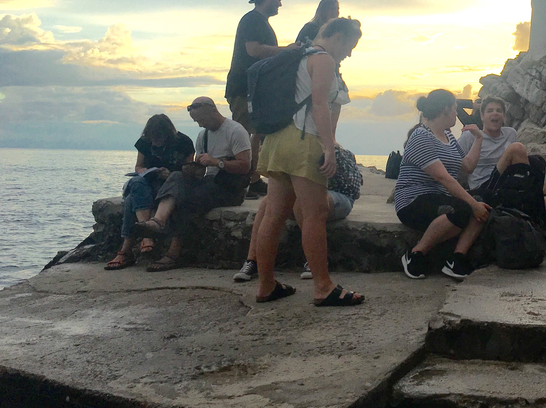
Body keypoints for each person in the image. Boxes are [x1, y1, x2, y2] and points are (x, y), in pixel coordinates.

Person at [254, 17, 364, 306]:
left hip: (276, 140)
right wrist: (329, 147)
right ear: (338, 36)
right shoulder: (323, 59)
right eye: (351, 46)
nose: (349, 54)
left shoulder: (297, 55)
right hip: (303, 141)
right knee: (314, 214)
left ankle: (266, 285)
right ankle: (323, 286)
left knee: (274, 214)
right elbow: (319, 105)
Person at [135, 98, 252, 271]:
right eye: (197, 122)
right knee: (176, 176)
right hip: (209, 181)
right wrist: (193, 170)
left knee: (187, 202)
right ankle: (158, 220)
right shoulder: (203, 135)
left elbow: (245, 166)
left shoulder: (235, 131)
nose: (199, 125)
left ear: (212, 111)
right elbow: (201, 174)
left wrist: (217, 162)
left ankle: (174, 254)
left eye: (201, 120)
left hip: (230, 186)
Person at [397, 89, 489, 281]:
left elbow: (467, 166)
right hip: (413, 201)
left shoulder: (448, 136)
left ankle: (457, 259)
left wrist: (479, 139)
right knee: (465, 208)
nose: (457, 113)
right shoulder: (421, 136)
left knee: (483, 201)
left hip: (439, 198)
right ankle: (416, 254)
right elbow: (444, 178)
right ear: (446, 109)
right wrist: (473, 205)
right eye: (455, 108)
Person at [233, 144, 359, 283]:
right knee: (267, 202)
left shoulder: (336, 151)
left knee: (305, 201)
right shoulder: (293, 148)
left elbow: (351, 187)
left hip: (338, 195)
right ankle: (252, 261)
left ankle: (312, 259)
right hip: (306, 195)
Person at [224, 0, 293, 200]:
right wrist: (287, 51)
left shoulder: (261, 23)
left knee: (259, 133)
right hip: (243, 87)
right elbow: (253, 50)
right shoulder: (252, 20)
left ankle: (254, 181)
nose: (281, 4)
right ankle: (239, 184)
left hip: (256, 89)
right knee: (244, 134)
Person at [105, 115, 195, 269]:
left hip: (170, 186)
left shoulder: (183, 143)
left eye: (157, 138)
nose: (154, 141)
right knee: (136, 182)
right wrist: (144, 171)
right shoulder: (144, 142)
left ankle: (126, 251)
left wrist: (171, 173)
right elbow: (138, 166)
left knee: (130, 201)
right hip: (149, 183)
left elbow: (190, 170)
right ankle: (146, 233)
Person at [456, 96, 528, 191]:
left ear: (504, 117)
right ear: (482, 116)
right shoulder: (469, 136)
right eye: (490, 111)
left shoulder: (510, 133)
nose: (495, 113)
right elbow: (455, 163)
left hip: (505, 182)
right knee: (517, 148)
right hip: (483, 187)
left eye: (499, 111)